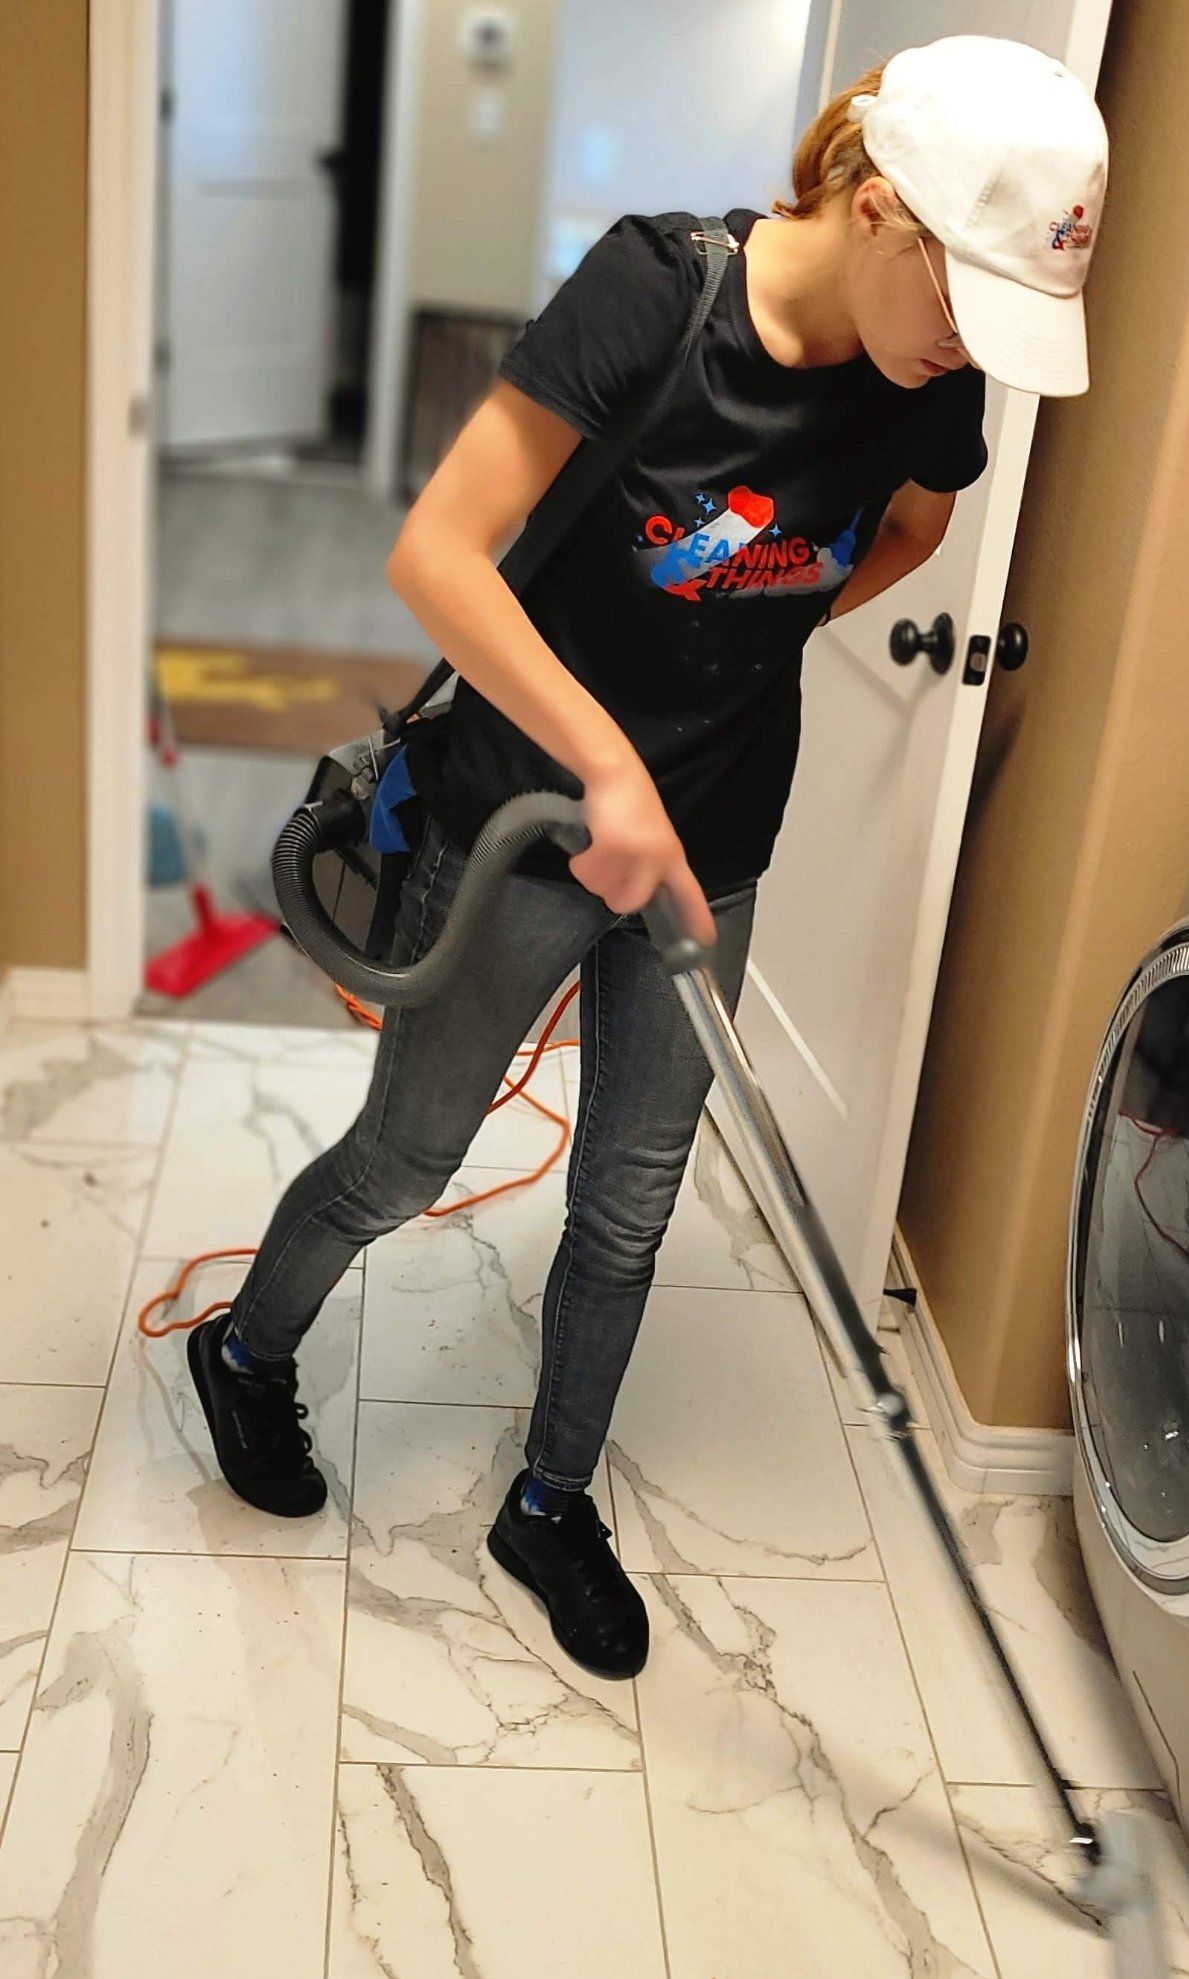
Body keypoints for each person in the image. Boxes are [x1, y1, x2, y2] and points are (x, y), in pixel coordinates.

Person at [185, 34, 1109, 1681]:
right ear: (881, 211)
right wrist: (610, 759)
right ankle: (247, 1354)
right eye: (966, 304)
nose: (976, 351)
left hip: (715, 842)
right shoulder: (656, 297)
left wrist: (749, 643)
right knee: (407, 1161)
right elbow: (438, 554)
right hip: (527, 824)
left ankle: (549, 1501)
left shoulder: (931, 362)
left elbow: (914, 524)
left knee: (628, 1205)